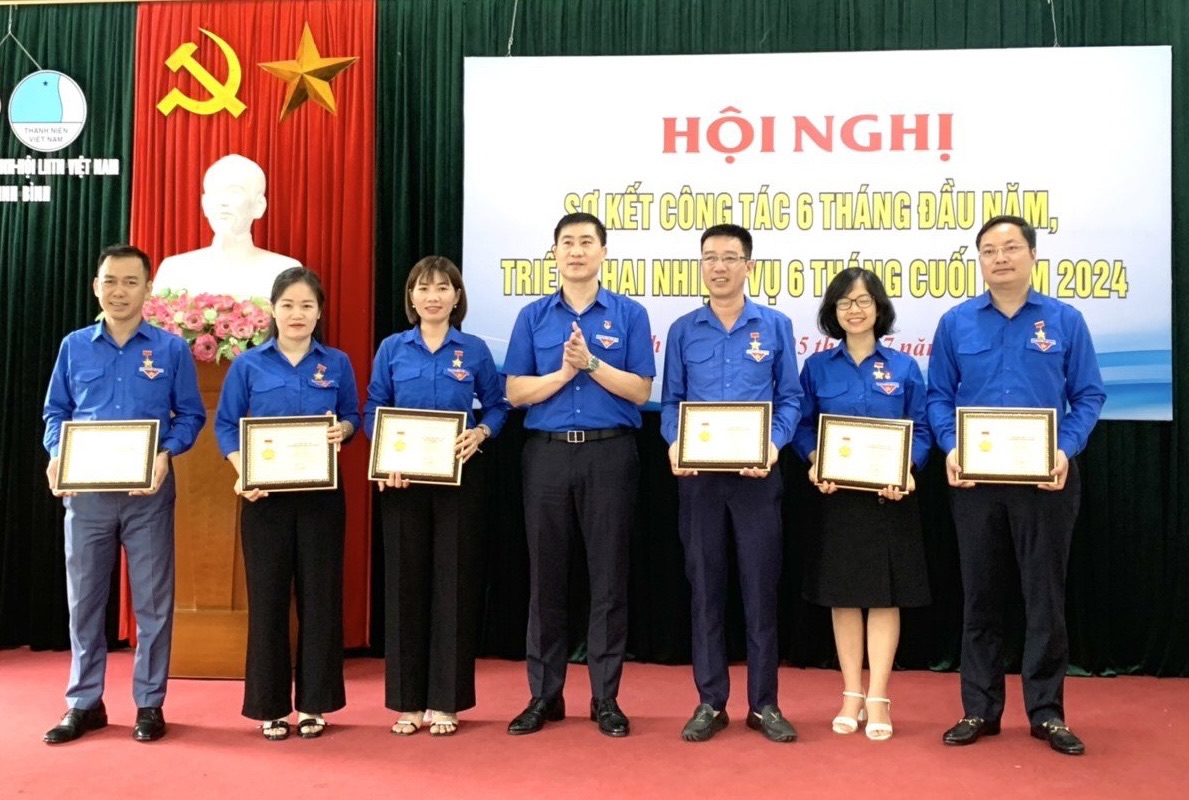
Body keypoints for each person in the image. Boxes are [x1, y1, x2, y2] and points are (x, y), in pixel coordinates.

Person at [928, 215, 1106, 756]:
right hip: (975, 481)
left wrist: (1063, 449)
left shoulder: (1065, 320)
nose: (1000, 257)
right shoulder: (956, 323)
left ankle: (1047, 712)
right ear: (979, 260)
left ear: (1031, 255)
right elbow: (939, 397)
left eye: (1010, 247)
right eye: (989, 250)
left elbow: (1089, 395)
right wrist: (952, 448)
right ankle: (979, 709)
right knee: (980, 596)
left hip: (1045, 482)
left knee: (1044, 598)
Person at [41, 244, 206, 744]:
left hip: (147, 493)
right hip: (87, 495)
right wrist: (57, 452)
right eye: (110, 280)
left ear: (148, 289)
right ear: (96, 286)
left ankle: (149, 703)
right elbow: (56, 412)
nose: (119, 291)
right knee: (84, 601)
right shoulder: (74, 346)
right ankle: (84, 702)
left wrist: (166, 453)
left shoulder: (171, 349)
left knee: (153, 602)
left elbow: (191, 414)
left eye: (131, 282)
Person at [502, 212, 654, 738]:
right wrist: (563, 373)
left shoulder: (630, 314)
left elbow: (640, 391)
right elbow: (515, 392)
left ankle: (605, 698)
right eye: (567, 242)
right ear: (555, 253)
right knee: (545, 579)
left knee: (608, 578)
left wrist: (590, 365)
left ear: (603, 253)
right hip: (546, 456)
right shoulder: (533, 316)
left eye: (587, 242)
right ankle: (544, 696)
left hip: (609, 454)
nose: (576, 250)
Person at [661, 224, 802, 743]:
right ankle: (710, 701)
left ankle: (764, 704)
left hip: (756, 478)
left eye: (729, 257)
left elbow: (790, 399)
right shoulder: (683, 330)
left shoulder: (776, 326)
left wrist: (774, 444)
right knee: (705, 590)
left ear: (749, 265)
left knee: (761, 591)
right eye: (710, 257)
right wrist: (674, 442)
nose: (718, 266)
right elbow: (672, 402)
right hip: (700, 480)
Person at [364, 256, 509, 737]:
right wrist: (384, 456)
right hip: (402, 482)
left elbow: (498, 405)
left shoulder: (474, 349)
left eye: (443, 288)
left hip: (459, 481)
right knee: (404, 586)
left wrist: (482, 432)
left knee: (454, 585)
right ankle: (408, 702)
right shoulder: (392, 348)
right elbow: (373, 407)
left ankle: (446, 701)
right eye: (423, 288)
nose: (433, 296)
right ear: (411, 296)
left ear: (456, 297)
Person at [214, 267, 360, 741]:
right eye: (288, 305)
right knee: (268, 601)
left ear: (319, 313)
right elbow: (225, 425)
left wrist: (345, 429)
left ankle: (316, 703)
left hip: (321, 498)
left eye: (307, 306)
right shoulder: (248, 365)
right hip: (265, 498)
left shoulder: (336, 362)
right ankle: (270, 706)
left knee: (320, 599)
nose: (298, 314)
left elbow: (353, 415)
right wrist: (243, 472)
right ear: (273, 310)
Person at [792, 268, 932, 742]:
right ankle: (851, 692)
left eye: (864, 301)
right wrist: (815, 460)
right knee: (844, 595)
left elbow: (923, 428)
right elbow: (803, 425)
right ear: (833, 312)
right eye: (845, 303)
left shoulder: (904, 367)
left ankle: (878, 696)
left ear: (879, 308)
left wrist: (908, 468)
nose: (855, 310)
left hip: (889, 498)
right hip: (837, 498)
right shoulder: (817, 368)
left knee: (885, 595)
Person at [153, 154, 300, 300]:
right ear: (205, 204)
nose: (222, 202)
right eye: (215, 192)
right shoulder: (174, 270)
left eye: (234, 192)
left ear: (258, 206)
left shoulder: (283, 270)